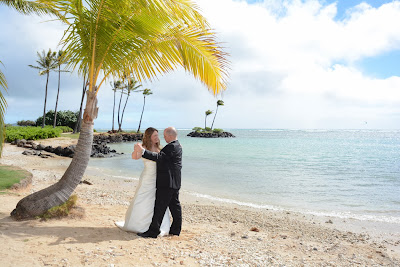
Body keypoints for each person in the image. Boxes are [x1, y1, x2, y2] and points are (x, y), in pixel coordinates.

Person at [115, 127, 171, 236]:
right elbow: (135, 157)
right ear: (149, 137)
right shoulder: (144, 147)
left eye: (157, 135)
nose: (157, 137)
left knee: (158, 200)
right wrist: (137, 150)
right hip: (147, 178)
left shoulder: (160, 147)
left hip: (159, 178)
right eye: (155, 135)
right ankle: (139, 224)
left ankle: (157, 225)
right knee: (143, 199)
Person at [134, 126, 182, 238]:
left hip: (166, 183)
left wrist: (143, 151)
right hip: (175, 182)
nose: (163, 138)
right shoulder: (178, 145)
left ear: (170, 136)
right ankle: (175, 230)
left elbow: (160, 157)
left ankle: (153, 231)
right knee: (175, 207)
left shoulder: (171, 147)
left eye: (165, 136)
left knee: (159, 207)